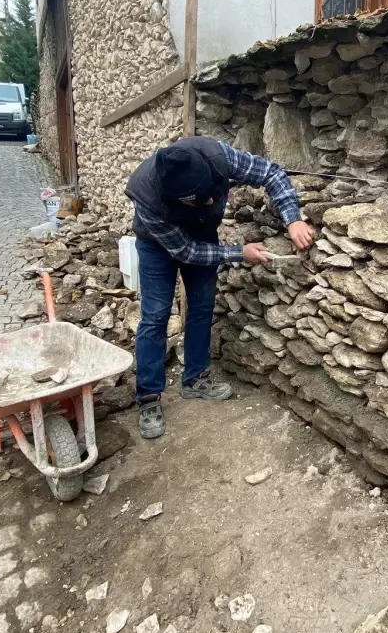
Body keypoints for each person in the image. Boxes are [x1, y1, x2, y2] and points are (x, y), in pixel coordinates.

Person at [124, 136, 315, 439]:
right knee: (156, 315)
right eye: (200, 199)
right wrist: (239, 253)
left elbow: (271, 173)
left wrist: (293, 219)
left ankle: (196, 379)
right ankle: (149, 397)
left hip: (201, 234)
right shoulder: (146, 194)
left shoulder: (217, 157)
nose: (212, 202)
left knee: (201, 307)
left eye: (211, 193)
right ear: (174, 196)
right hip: (157, 245)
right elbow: (186, 252)